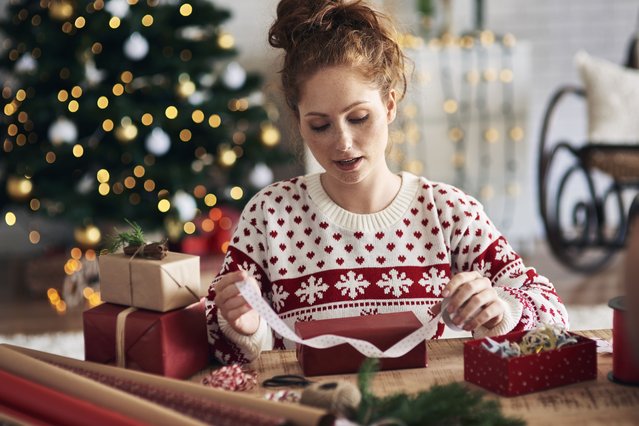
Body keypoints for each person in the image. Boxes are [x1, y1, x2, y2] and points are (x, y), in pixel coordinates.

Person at [205, 0, 568, 365]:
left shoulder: (448, 212)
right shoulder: (271, 214)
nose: (342, 143)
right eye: (320, 125)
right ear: (298, 120)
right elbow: (216, 344)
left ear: (390, 106)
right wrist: (245, 326)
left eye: (359, 117)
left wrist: (500, 310)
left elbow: (553, 316)